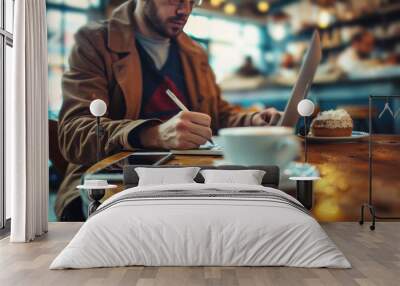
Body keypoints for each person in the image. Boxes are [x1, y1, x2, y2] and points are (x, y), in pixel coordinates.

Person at [56, 0, 282, 221]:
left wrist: (253, 121)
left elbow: (217, 115)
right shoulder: (95, 42)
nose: (185, 9)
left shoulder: (195, 52)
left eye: (194, 1)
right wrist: (154, 134)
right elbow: (74, 133)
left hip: (189, 180)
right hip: (112, 185)